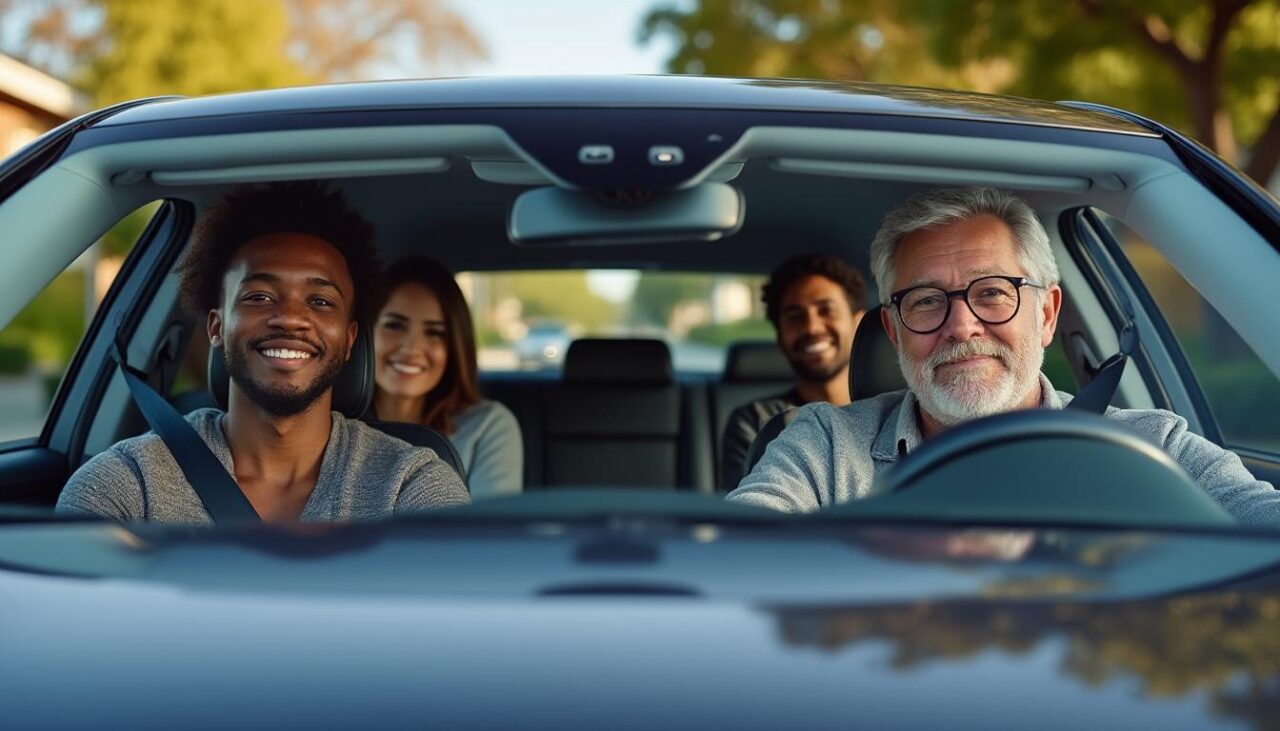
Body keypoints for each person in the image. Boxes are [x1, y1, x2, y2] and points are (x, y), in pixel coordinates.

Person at [727, 186, 1280, 525]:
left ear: (1045, 315)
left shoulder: (1151, 446)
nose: (961, 325)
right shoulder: (824, 444)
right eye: (925, 302)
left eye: (992, 292)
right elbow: (737, 547)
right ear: (894, 333)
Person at [57, 183, 470, 523]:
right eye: (259, 296)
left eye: (320, 302)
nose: (290, 319)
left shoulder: (410, 485)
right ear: (217, 327)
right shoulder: (130, 484)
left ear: (348, 341)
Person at [369, 256, 523, 498]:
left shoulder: (486, 426)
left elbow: (493, 531)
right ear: (362, 334)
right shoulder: (328, 425)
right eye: (395, 326)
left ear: (454, 347)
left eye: (434, 333)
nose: (412, 348)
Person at [720, 254, 866, 490]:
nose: (811, 327)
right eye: (795, 316)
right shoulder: (757, 422)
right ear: (779, 338)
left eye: (826, 310)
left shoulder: (901, 413)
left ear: (858, 323)